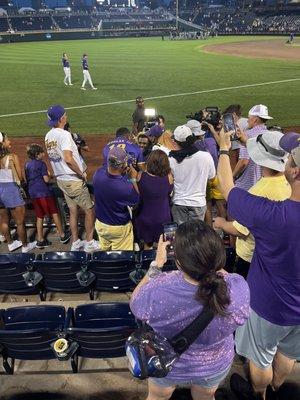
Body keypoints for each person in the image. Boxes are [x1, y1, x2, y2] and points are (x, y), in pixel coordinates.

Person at [217, 129, 300, 400]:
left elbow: (227, 188)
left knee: (261, 357)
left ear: (295, 173)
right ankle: (277, 388)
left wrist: (223, 148)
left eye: (291, 159)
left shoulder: (271, 215)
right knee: (288, 353)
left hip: (268, 305)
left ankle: (260, 393)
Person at [130, 221, 250, 400]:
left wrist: (157, 264)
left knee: (157, 397)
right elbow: (224, 278)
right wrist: (211, 265)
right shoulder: (238, 287)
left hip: (167, 363)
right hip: (214, 364)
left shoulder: (159, 288)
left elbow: (136, 304)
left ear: (178, 262)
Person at [214, 130, 291, 278]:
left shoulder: (258, 192)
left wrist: (221, 223)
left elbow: (239, 230)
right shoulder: (292, 179)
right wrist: (247, 142)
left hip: (253, 259)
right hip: (281, 256)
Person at [45, 105, 98, 252]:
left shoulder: (48, 135)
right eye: (65, 115)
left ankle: (75, 242)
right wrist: (80, 173)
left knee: (73, 210)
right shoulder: (64, 135)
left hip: (61, 179)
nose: (66, 116)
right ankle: (89, 242)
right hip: (72, 179)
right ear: (61, 118)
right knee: (89, 210)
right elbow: (68, 159)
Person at [93, 147, 139, 251]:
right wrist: (133, 178)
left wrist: (123, 172)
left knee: (105, 254)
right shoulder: (126, 187)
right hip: (119, 228)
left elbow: (111, 175)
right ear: (123, 165)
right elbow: (136, 200)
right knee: (121, 259)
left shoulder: (97, 174)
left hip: (101, 225)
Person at [25, 144, 71, 249]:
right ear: (37, 154)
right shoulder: (41, 164)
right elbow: (46, 179)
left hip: (33, 193)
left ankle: (40, 240)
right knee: (54, 213)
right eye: (41, 152)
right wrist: (50, 176)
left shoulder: (27, 164)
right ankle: (62, 235)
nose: (43, 153)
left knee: (39, 216)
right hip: (44, 193)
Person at [169, 125, 215, 225]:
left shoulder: (171, 159)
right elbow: (212, 176)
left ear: (175, 141)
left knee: (182, 235)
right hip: (198, 202)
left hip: (179, 202)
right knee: (195, 236)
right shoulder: (206, 156)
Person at [0, 132, 36, 253]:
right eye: (7, 139)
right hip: (10, 191)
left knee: (4, 220)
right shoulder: (12, 157)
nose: (9, 141)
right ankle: (25, 246)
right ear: (2, 143)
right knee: (20, 222)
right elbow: (20, 177)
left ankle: (10, 243)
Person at [135, 150, 173, 249]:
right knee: (165, 247)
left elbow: (135, 188)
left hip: (145, 218)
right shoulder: (169, 177)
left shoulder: (140, 176)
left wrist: (131, 179)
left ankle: (148, 264)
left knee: (147, 246)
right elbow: (170, 192)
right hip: (163, 218)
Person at [233, 104, 273, 191]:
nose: (247, 120)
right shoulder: (270, 135)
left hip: (248, 184)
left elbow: (244, 161)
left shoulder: (247, 135)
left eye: (249, 117)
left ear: (255, 119)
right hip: (265, 183)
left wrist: (233, 176)